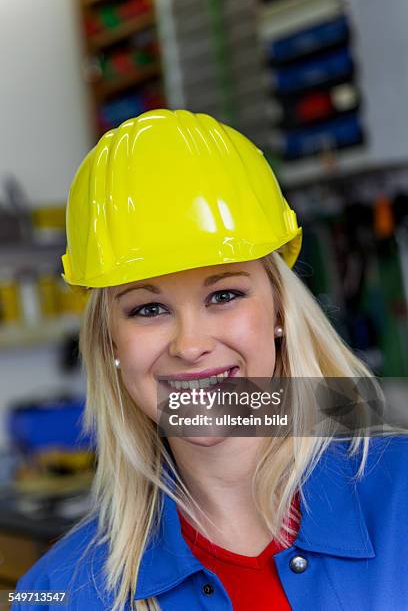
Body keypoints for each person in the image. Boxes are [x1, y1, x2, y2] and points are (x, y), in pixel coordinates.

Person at [12, 109, 408, 611]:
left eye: (223, 295)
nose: (190, 344)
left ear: (280, 310)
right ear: (111, 344)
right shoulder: (59, 594)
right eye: (148, 308)